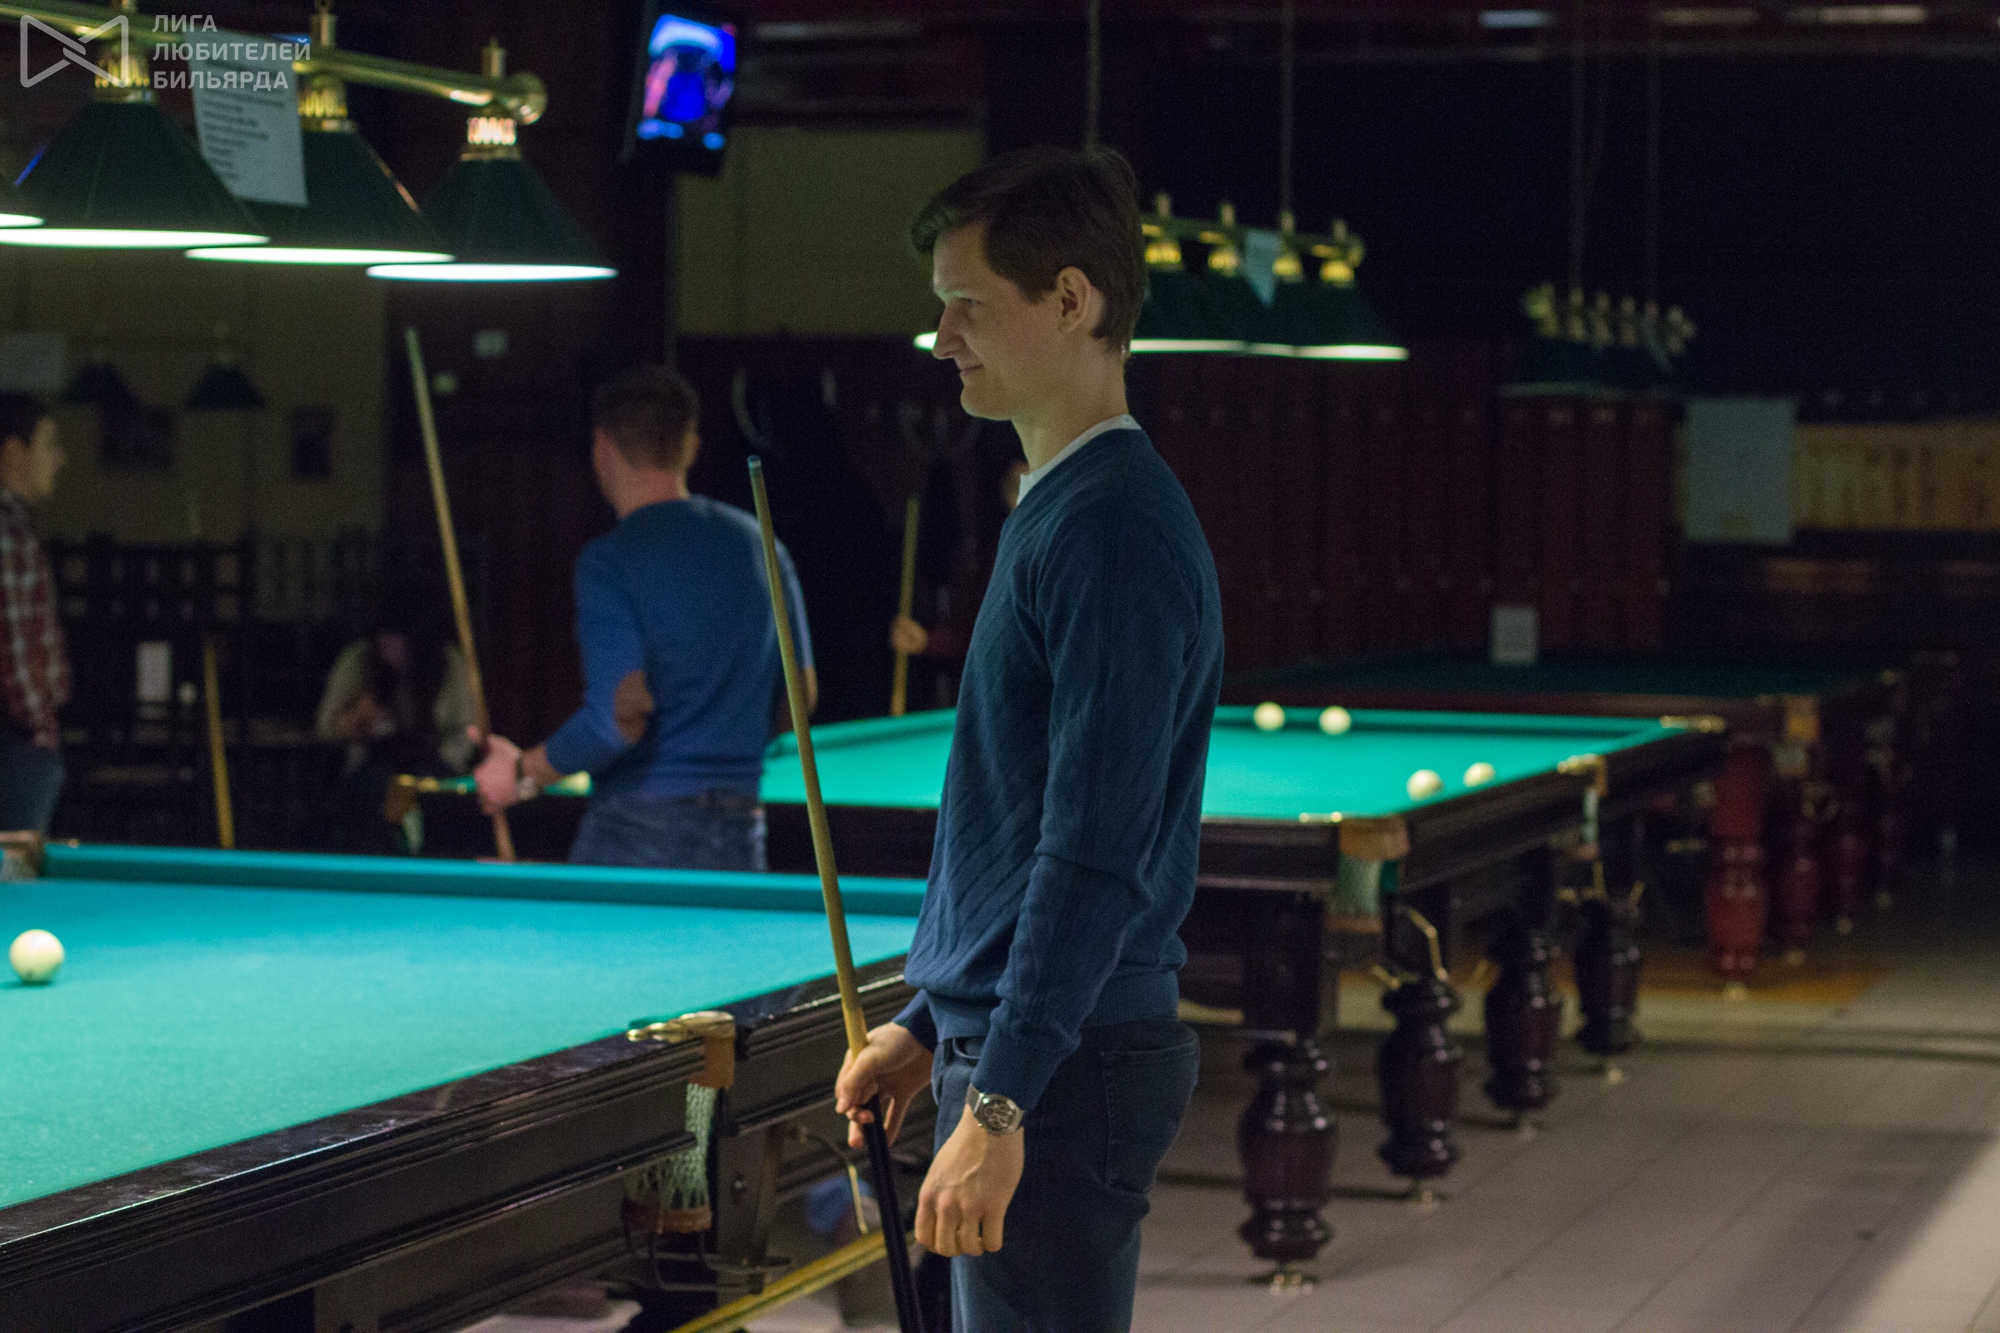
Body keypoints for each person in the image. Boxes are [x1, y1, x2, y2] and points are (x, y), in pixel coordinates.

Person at [834, 147, 1224, 1331]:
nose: (940, 337)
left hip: (1064, 1069)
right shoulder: (1060, 503)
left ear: (1069, 299)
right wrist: (927, 1025)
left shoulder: (1109, 528)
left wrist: (997, 1101)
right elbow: (1017, 831)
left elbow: (1092, 851)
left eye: (966, 303)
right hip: (1037, 1046)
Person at [473, 366, 815, 871]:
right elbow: (801, 697)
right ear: (690, 448)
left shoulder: (609, 561)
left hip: (639, 827)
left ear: (601, 447)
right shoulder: (761, 546)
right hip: (743, 827)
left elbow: (620, 720)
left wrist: (521, 771)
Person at [314, 603, 475, 852]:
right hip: (373, 772)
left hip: (433, 772)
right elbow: (326, 726)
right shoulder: (359, 661)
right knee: (371, 794)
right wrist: (357, 719)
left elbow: (466, 730)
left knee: (441, 810)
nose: (390, 650)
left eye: (398, 643)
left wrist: (445, 766)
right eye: (385, 641)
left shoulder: (446, 663)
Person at [0, 394, 67, 834]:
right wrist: (41, 733)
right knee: (13, 874)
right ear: (13, 452)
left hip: (17, 744)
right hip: (15, 746)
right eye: (49, 444)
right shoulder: (8, 535)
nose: (60, 458)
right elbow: (14, 655)